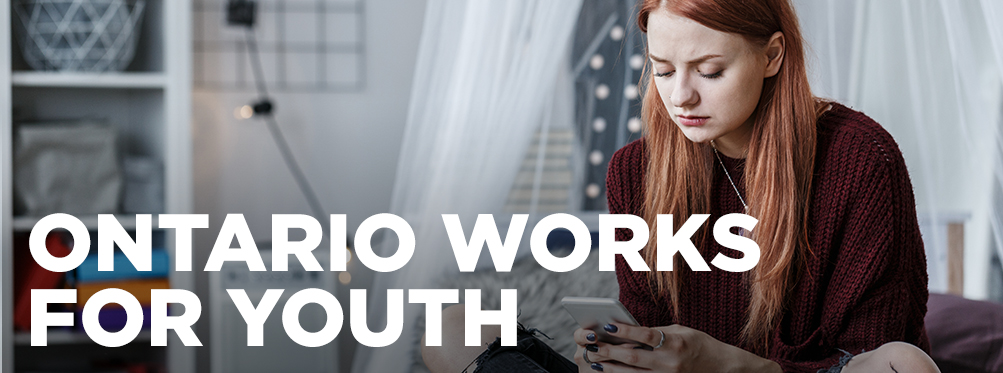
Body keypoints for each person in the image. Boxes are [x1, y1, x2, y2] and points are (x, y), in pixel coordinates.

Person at [422, 0, 942, 372]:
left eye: (709, 71)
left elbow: (871, 349)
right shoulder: (635, 170)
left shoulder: (859, 158)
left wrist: (732, 365)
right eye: (664, 70)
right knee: (453, 329)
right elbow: (648, 322)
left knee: (905, 364)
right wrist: (616, 356)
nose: (681, 97)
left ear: (772, 56)